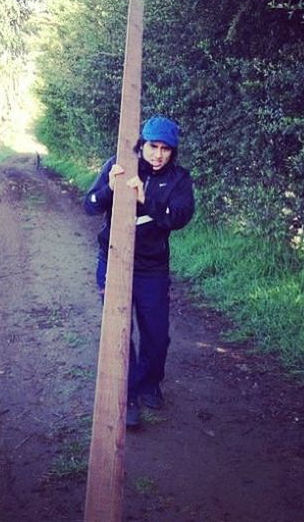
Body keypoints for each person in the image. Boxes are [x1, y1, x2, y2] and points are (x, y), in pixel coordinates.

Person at [83, 115, 195, 427]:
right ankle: (127, 396)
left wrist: (146, 200)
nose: (158, 154)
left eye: (165, 149)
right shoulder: (117, 165)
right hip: (113, 260)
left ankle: (149, 384)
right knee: (119, 331)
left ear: (172, 152)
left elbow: (180, 217)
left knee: (156, 335)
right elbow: (90, 205)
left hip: (152, 268)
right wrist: (110, 188)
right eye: (152, 147)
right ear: (141, 145)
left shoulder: (177, 179)